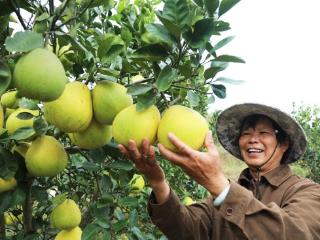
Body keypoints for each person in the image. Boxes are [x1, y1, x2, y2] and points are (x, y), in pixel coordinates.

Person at [118, 103, 320, 240]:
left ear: (283, 143)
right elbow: (186, 230)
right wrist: (158, 182)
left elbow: (295, 234)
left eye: (263, 133)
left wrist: (219, 185)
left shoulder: (307, 192)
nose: (252, 139)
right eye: (246, 133)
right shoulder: (229, 193)